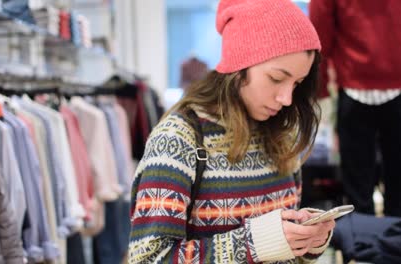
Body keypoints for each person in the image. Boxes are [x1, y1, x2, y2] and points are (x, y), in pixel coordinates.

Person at [128, 0, 336, 263]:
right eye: (276, 78)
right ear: (239, 66)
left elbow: (284, 254)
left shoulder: (281, 136)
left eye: (297, 83)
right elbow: (150, 259)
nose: (286, 98)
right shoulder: (177, 140)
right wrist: (256, 242)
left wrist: (306, 242)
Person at [309, 0, 401, 216]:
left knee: (357, 189)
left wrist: (321, 90)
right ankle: (395, 242)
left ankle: (362, 244)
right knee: (398, 184)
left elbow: (319, 32)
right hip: (395, 88)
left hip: (355, 88)